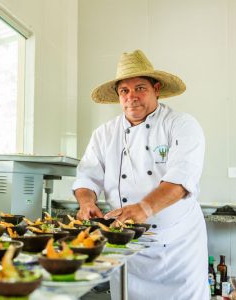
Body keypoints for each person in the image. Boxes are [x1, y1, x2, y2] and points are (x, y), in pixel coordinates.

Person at [73, 49, 208, 299]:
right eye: (124, 90)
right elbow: (87, 176)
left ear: (156, 89)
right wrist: (87, 201)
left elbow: (181, 179)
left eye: (140, 88)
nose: (131, 97)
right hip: (125, 246)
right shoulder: (104, 134)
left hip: (177, 247)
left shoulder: (181, 125)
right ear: (118, 96)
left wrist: (144, 208)